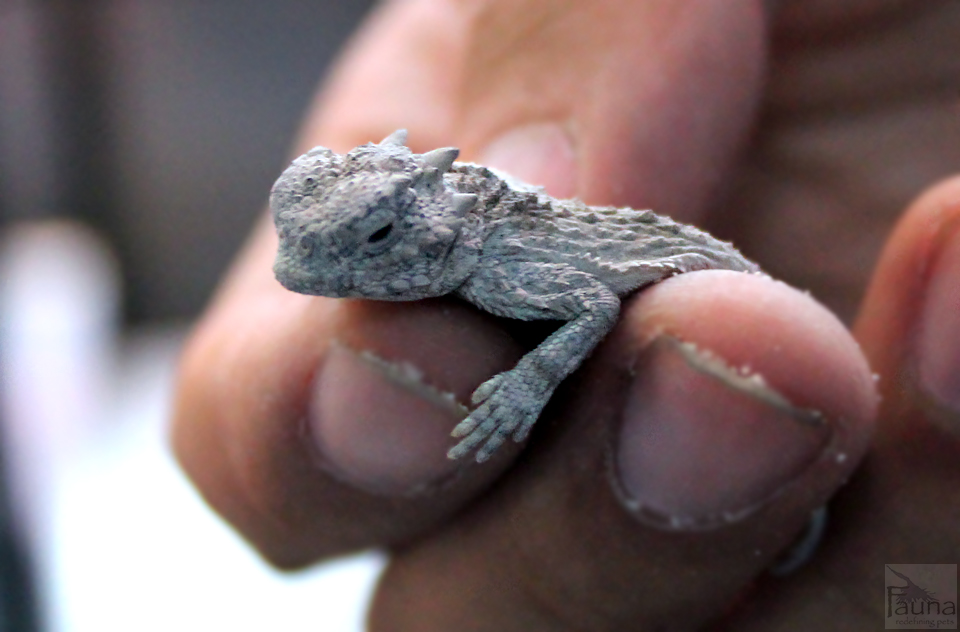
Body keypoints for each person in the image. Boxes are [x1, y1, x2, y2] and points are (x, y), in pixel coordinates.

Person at [172, 1, 960, 629]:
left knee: (899, 584)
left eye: (375, 236)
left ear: (429, 218)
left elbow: (586, 302)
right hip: (761, 349)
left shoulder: (500, 259)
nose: (306, 270)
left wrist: (525, 383)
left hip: (747, 309)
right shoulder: (465, 263)